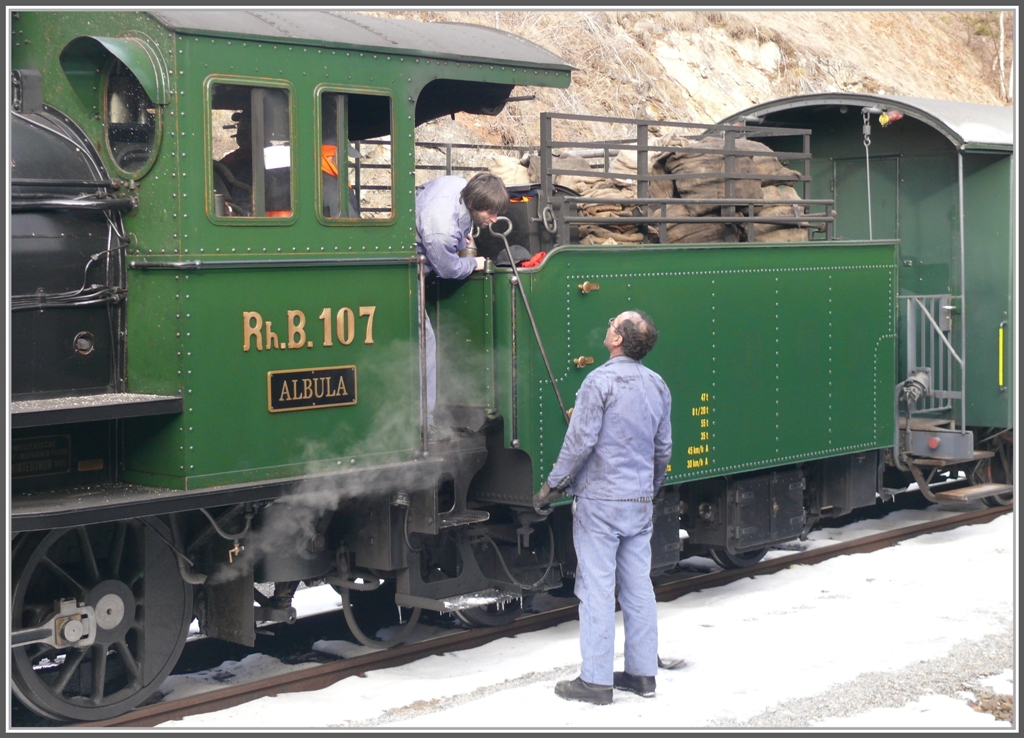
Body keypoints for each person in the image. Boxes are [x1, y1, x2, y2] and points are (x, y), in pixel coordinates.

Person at [534, 310, 672, 705]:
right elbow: (663, 448)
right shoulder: (657, 385)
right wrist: (649, 489)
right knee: (638, 588)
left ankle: (595, 682)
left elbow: (580, 443)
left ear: (617, 340)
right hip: (638, 502)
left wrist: (551, 487)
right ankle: (642, 676)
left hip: (600, 502)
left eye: (613, 323)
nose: (609, 325)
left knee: (596, 589)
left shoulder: (599, 382)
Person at [415, 172, 509, 429]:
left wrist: (462, 234)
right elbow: (447, 269)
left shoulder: (458, 184)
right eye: (490, 213)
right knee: (425, 344)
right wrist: (472, 263)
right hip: (406, 275)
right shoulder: (441, 229)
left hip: (424, 252)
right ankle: (424, 424)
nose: (494, 219)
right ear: (474, 203)